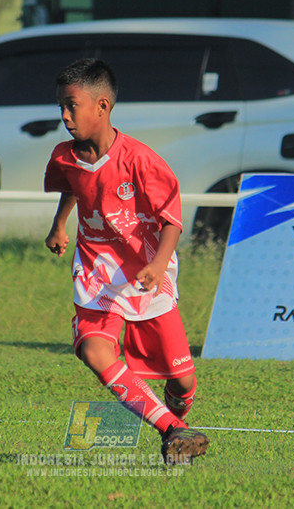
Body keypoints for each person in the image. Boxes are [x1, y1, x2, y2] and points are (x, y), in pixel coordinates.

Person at [43, 58, 209, 464]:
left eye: (71, 105)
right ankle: (171, 429)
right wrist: (59, 225)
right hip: (97, 270)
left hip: (146, 272)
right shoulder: (65, 156)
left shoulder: (139, 159)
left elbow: (172, 218)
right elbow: (74, 187)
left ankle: (176, 421)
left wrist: (158, 264)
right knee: (96, 352)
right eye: (61, 106)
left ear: (102, 106)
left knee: (183, 379)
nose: (64, 116)